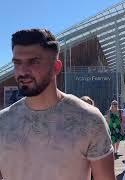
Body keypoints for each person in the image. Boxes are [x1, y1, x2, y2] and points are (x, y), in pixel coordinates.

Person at [0, 29, 115, 180]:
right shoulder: (3, 122)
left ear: (56, 67)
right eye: (17, 63)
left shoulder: (89, 119)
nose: (23, 71)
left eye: (34, 62)